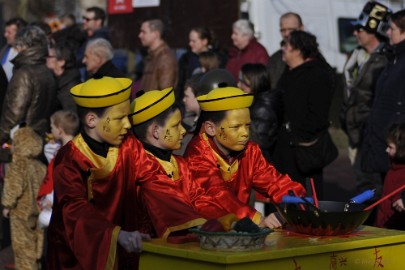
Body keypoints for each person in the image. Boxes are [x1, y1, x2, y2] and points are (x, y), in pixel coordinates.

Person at [47, 76, 205, 269]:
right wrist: (115, 234)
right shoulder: (70, 158)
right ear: (91, 120)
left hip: (123, 248)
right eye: (120, 118)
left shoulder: (128, 146)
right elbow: (73, 209)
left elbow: (154, 179)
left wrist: (196, 225)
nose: (128, 125)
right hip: (78, 256)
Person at [130, 88, 270, 234]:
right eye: (175, 125)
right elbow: (170, 208)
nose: (183, 130)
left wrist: (230, 221)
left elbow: (200, 200)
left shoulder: (179, 164)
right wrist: (204, 226)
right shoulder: (143, 167)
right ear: (156, 131)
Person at [184, 87, 306, 227]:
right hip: (205, 232)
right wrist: (258, 220)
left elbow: (275, 182)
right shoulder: (197, 153)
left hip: (241, 231)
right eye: (236, 127)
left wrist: (295, 205)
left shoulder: (250, 151)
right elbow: (218, 194)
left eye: (247, 126)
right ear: (211, 128)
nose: (245, 134)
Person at [271, 30, 336, 199]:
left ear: (298, 50)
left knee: (304, 199)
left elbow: (318, 117)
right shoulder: (289, 72)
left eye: (286, 45)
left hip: (303, 152)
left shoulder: (317, 74)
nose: (282, 49)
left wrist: (296, 135)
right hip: (284, 147)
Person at [340, 1, 391, 201]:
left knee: (371, 188)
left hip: (369, 135)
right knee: (363, 184)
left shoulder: (385, 59)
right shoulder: (359, 56)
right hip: (355, 133)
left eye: (359, 29)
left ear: (373, 31)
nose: (355, 33)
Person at [361, 10, 405, 180]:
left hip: (398, 147)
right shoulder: (392, 59)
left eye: (392, 29)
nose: (387, 33)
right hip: (384, 144)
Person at [0, 26, 56, 145]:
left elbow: (14, 113)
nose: (16, 50)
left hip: (21, 141)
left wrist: (2, 136)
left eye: (18, 46)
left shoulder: (24, 73)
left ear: (24, 46)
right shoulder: (46, 71)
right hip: (38, 137)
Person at [2, 127, 47, 270]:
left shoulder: (18, 166)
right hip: (38, 211)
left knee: (23, 249)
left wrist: (7, 206)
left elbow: (13, 189)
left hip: (21, 213)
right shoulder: (40, 166)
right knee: (35, 247)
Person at [37, 110, 80, 229]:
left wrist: (52, 201)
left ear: (60, 129)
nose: (50, 130)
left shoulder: (65, 154)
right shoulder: (75, 149)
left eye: (52, 127)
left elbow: (61, 182)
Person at [238, 63, 281, 161]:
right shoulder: (254, 102)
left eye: (242, 82)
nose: (238, 85)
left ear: (254, 82)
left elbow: (259, 142)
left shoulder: (262, 108)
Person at [375, 123, 405, 230]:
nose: (386, 150)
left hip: (393, 229)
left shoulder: (402, 174)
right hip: (383, 225)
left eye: (390, 147)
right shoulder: (393, 168)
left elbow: (397, 207)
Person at [138, 19, 178, 92]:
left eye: (144, 32)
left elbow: (165, 93)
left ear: (156, 34)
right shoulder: (152, 56)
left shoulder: (165, 58)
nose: (140, 35)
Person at [268, 12, 304, 91]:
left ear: (301, 28)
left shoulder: (311, 55)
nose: (286, 34)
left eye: (291, 29)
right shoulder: (275, 59)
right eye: (283, 30)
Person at [46, 42, 82, 113]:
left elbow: (71, 117)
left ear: (61, 62)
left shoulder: (70, 88)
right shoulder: (58, 81)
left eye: (49, 57)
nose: (45, 59)